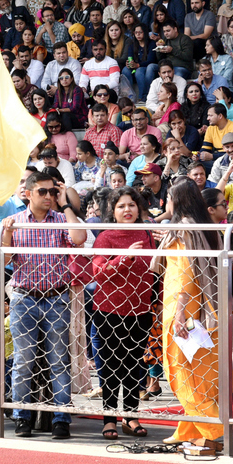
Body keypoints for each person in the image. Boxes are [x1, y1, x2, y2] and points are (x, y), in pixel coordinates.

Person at [0, 170, 86, 439]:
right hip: (25, 298)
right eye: (43, 192)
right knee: (23, 361)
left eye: (53, 191)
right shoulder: (12, 221)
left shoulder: (60, 218)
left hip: (56, 297)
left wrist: (66, 204)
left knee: (59, 361)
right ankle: (21, 416)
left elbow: (79, 238)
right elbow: (2, 261)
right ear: (28, 193)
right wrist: (7, 235)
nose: (49, 196)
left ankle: (61, 417)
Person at [151, 180, 224, 448]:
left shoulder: (183, 230)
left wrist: (180, 314)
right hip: (204, 311)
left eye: (168, 198)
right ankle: (191, 431)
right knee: (200, 374)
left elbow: (184, 275)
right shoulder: (203, 227)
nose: (164, 203)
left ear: (177, 200)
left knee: (180, 372)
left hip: (183, 310)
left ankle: (211, 433)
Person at [90, 186, 155, 439]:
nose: (127, 210)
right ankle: (109, 419)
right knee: (109, 367)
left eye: (131, 205)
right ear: (112, 211)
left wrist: (157, 299)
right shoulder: (106, 237)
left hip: (140, 311)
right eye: (121, 206)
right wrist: (123, 258)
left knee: (133, 366)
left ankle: (130, 415)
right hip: (108, 311)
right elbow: (98, 273)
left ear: (138, 208)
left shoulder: (148, 233)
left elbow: (154, 270)